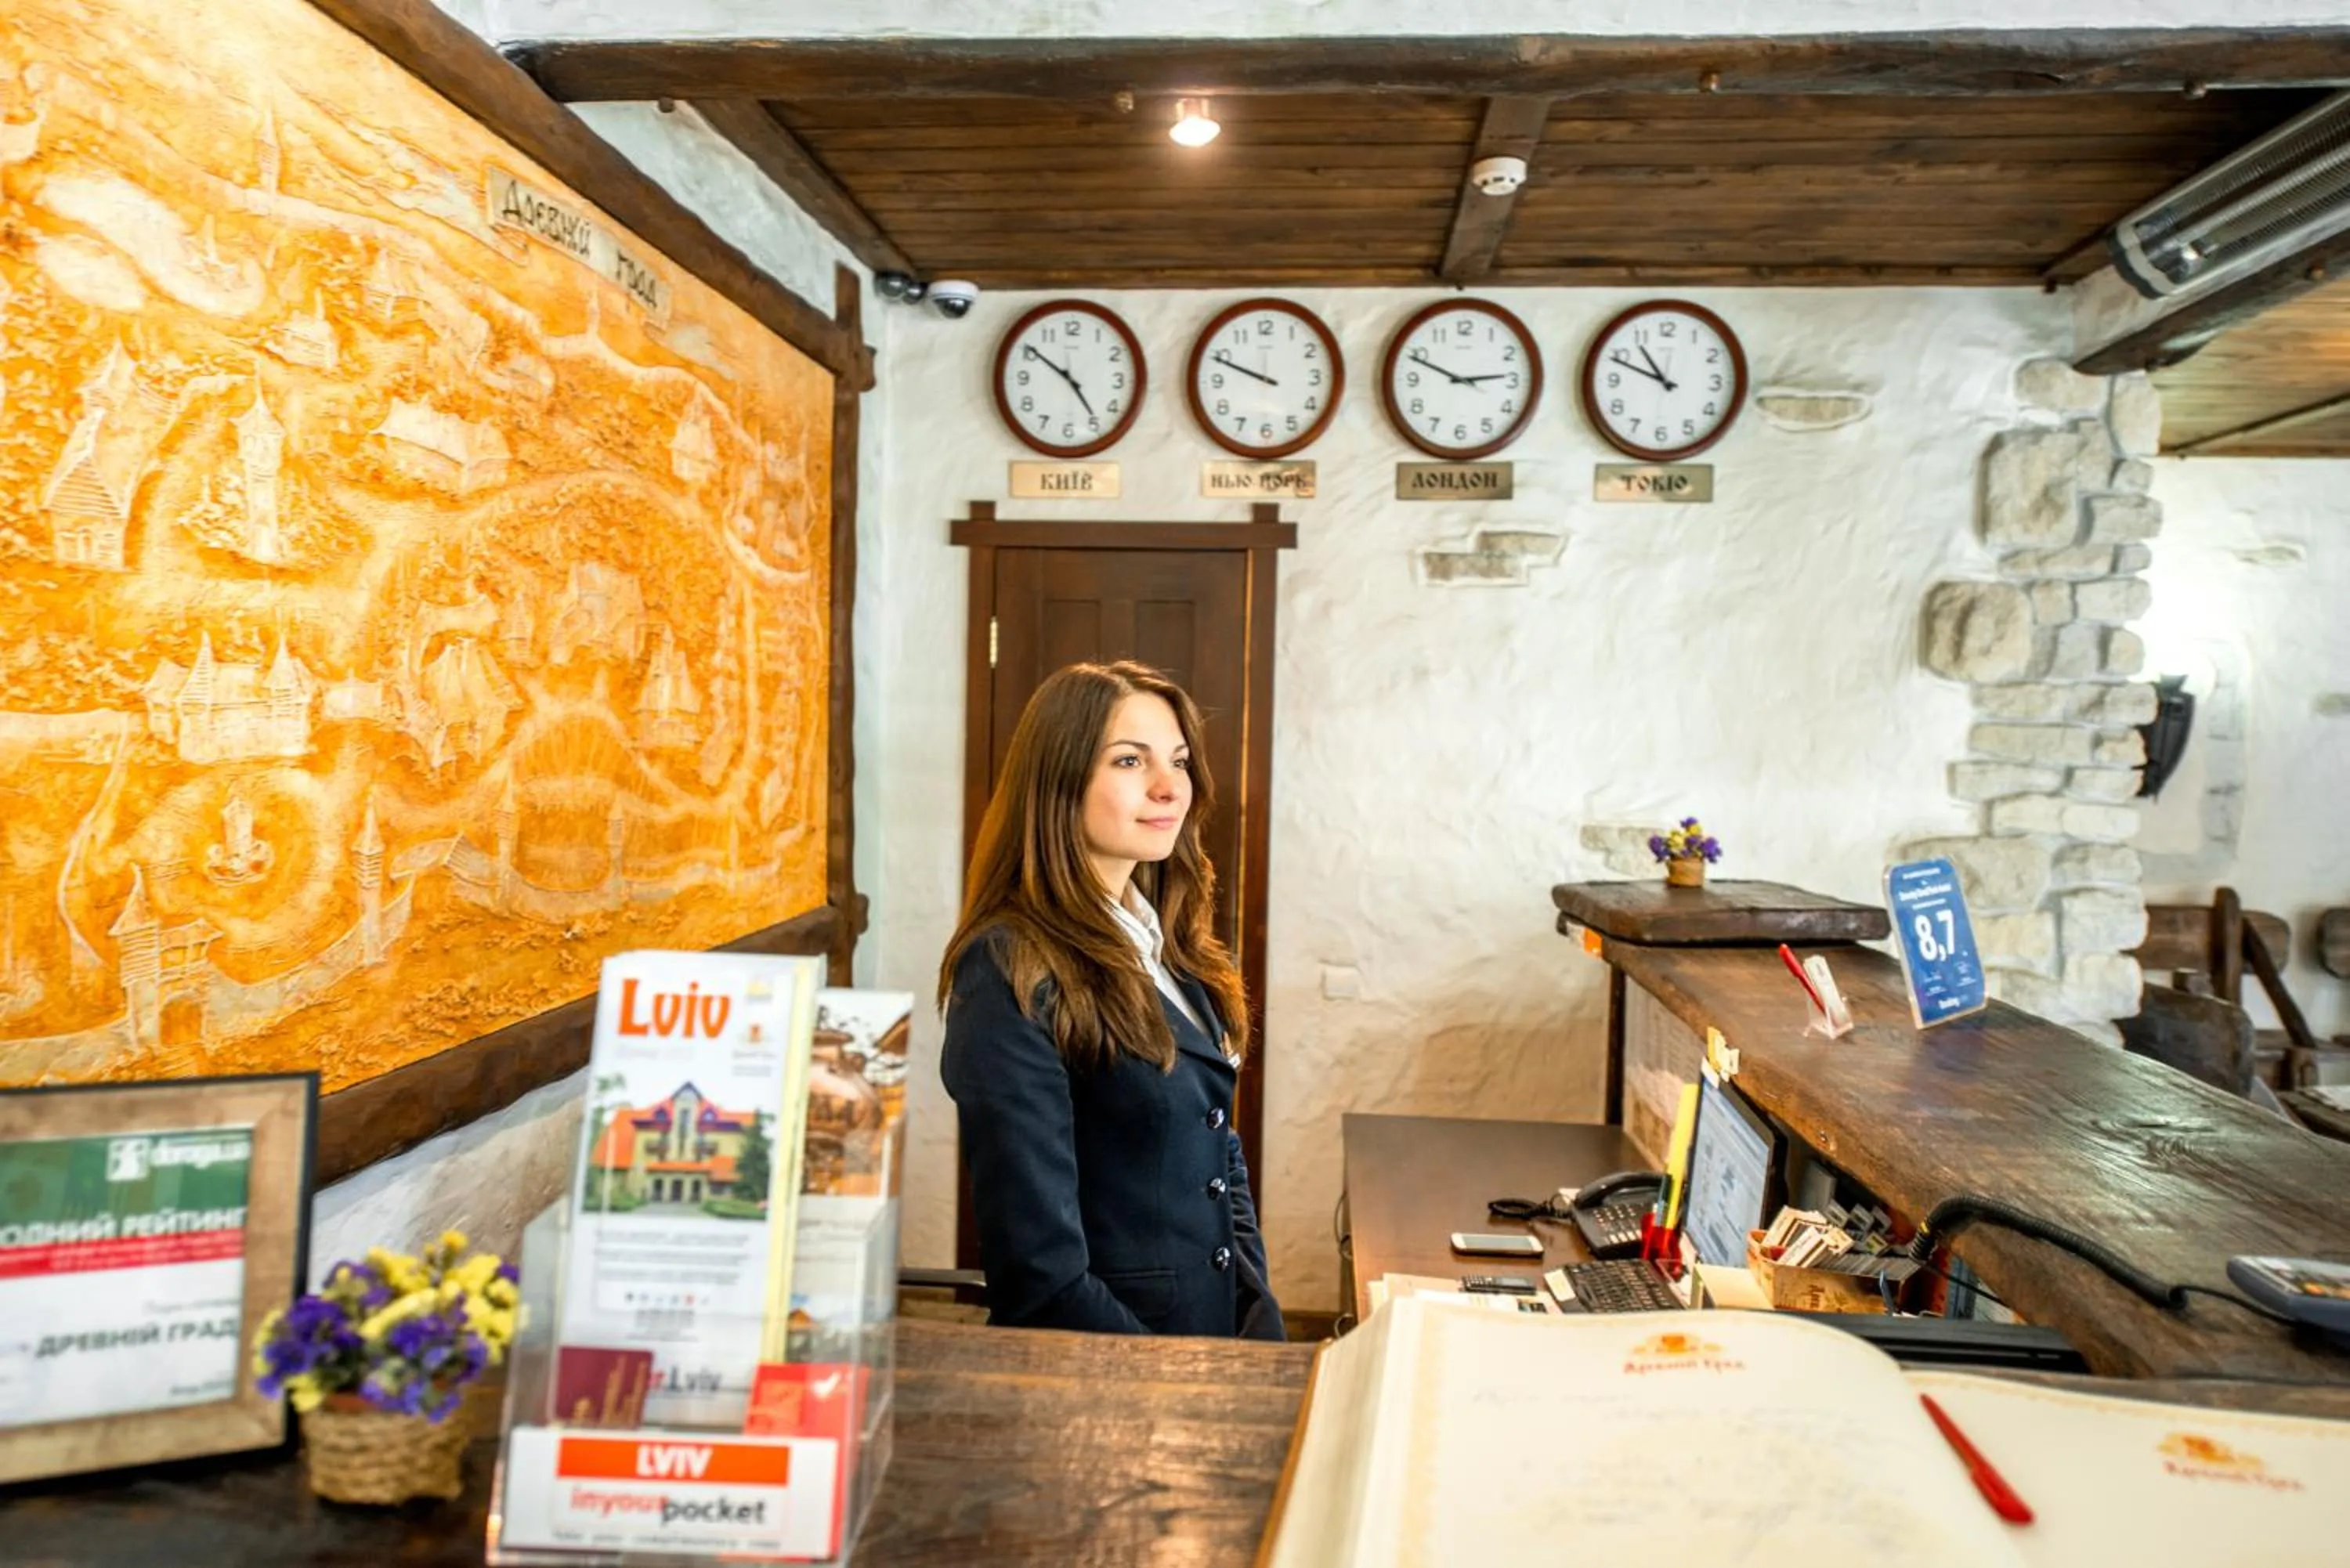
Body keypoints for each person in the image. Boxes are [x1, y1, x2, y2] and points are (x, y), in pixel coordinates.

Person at [938, 661, 1282, 1339]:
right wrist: (1168, 1380)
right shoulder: (1007, 966)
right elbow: (1040, 1276)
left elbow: (1218, 1147)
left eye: (1178, 761)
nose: (1169, 787)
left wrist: (1257, 1314)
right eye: (1130, 760)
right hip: (1114, 1363)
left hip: (1213, 1339)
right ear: (1058, 779)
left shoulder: (1166, 942)